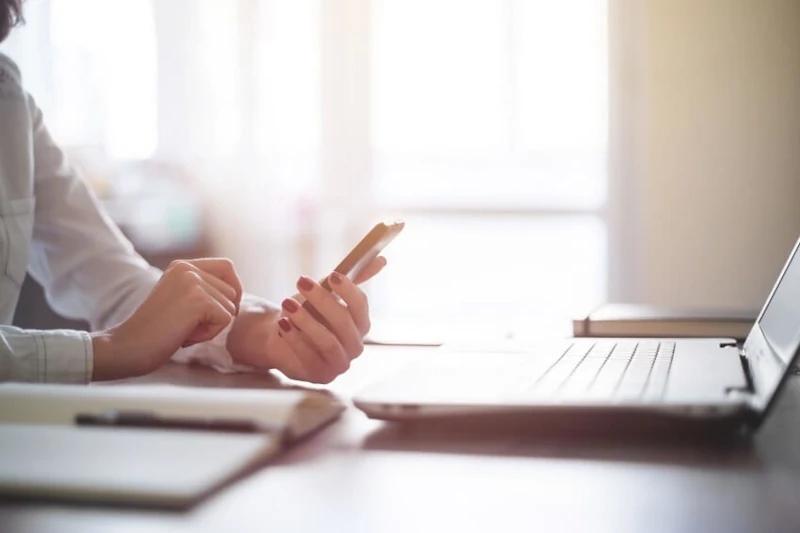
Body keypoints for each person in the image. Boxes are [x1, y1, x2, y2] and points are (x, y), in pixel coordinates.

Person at [0, 0, 385, 384]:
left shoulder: (10, 100)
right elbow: (132, 335)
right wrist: (113, 348)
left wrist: (270, 335)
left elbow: (118, 287)